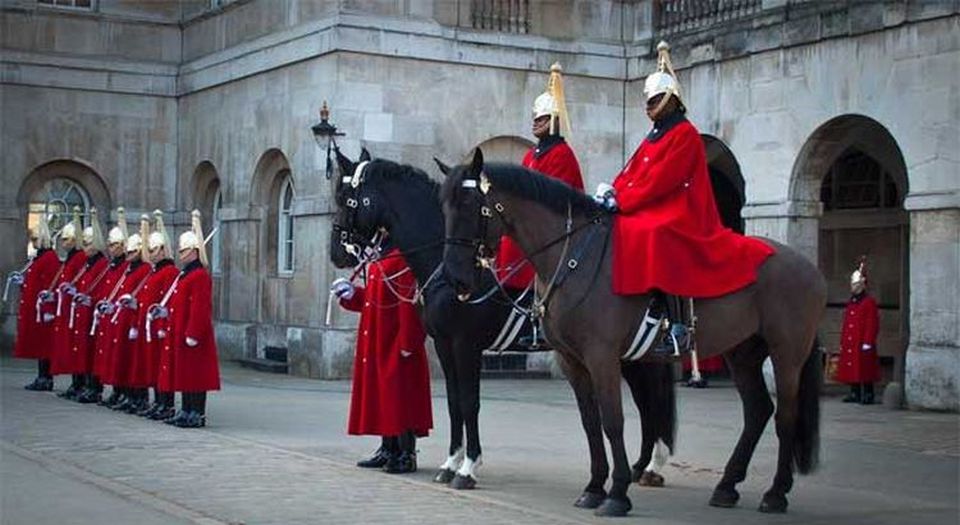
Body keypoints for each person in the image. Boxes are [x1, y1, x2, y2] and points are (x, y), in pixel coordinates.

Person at [601, 41, 775, 356]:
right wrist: (613, 190)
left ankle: (677, 323)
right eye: (647, 100)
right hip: (649, 205)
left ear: (671, 100)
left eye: (654, 100)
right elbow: (631, 173)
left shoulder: (684, 134)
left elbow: (661, 181)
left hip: (682, 210)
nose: (648, 106)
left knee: (655, 233)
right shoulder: (653, 136)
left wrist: (623, 201)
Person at [331, 233, 432, 474]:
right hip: (379, 336)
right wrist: (353, 295)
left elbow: (409, 301)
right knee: (384, 396)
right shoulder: (382, 254)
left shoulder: (404, 256)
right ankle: (388, 448)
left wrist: (409, 341)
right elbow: (377, 298)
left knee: (400, 396)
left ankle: (406, 453)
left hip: (396, 339)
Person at [496, 62, 585, 291]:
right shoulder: (530, 155)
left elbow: (554, 198)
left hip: (553, 224)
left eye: (541, 119)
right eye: (535, 119)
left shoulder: (562, 154)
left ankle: (525, 291)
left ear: (554, 120)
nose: (535, 123)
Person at [163, 210, 220, 428]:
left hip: (194, 334)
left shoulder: (199, 276)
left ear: (195, 252)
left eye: (185, 251)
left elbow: (199, 308)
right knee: (186, 375)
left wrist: (193, 333)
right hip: (182, 331)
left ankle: (197, 412)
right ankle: (187, 409)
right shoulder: (186, 274)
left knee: (196, 377)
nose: (181, 255)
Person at [130, 210, 180, 418]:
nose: (150, 253)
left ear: (162, 250)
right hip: (148, 327)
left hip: (160, 328)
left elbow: (168, 303)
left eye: (153, 249)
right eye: (149, 249)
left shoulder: (169, 272)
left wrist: (161, 326)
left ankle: (165, 404)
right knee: (152, 366)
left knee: (163, 367)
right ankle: (157, 401)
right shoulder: (154, 271)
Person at [106, 216, 152, 413]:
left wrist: (135, 308)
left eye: (133, 251)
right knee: (122, 360)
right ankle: (123, 392)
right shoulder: (129, 269)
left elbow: (144, 296)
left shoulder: (144, 270)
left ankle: (137, 397)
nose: (129, 254)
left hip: (134, 321)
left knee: (136, 362)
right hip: (121, 319)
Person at [15, 213, 61, 391]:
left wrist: (49, 308)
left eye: (35, 239)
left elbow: (50, 285)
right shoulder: (40, 257)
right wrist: (23, 283)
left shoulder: (49, 258)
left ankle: (46, 378)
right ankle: (42, 376)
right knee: (39, 345)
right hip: (36, 309)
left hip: (44, 311)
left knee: (44, 346)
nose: (33, 242)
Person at [92, 208, 131, 405]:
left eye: (114, 245)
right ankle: (115, 390)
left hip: (121, 318)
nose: (110, 248)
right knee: (111, 356)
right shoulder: (113, 266)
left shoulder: (125, 267)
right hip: (110, 316)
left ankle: (122, 392)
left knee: (121, 357)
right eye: (109, 245)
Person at [50, 208, 89, 398]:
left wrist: (74, 293)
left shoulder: (80, 257)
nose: (64, 243)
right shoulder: (72, 258)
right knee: (73, 346)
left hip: (76, 309)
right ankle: (76, 383)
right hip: (69, 307)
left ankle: (81, 384)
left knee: (78, 347)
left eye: (67, 240)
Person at [835, 257, 880, 405]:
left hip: (862, 340)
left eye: (855, 284)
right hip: (852, 340)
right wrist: (843, 341)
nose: (853, 287)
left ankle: (868, 394)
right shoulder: (852, 302)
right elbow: (847, 323)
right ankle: (854, 392)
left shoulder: (869, 302)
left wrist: (868, 341)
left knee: (865, 369)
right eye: (852, 284)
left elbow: (871, 323)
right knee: (852, 368)